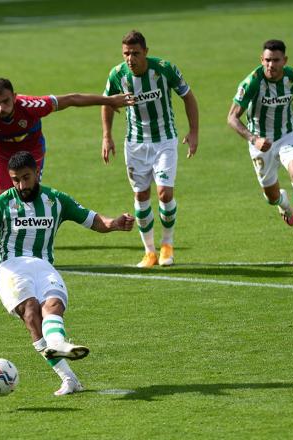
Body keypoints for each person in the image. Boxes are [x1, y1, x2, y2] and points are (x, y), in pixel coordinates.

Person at [0, 151, 135, 395]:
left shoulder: (56, 200)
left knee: (54, 304)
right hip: (11, 267)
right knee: (30, 312)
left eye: (26, 178)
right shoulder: (2, 202)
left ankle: (59, 346)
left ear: (37, 172)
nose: (21, 185)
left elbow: (92, 219)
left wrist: (114, 224)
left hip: (43, 266)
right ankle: (68, 377)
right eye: (15, 179)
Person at [0, 77, 133, 199]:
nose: (0, 108)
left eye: (5, 101)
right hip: (2, 153)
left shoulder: (31, 105)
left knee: (25, 193)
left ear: (15, 96)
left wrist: (109, 100)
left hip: (32, 151)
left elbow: (71, 99)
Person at [101, 30, 199, 269]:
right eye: (126, 53)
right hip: (135, 144)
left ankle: (167, 244)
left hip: (165, 141)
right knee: (141, 196)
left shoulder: (164, 69)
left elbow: (188, 97)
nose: (130, 59)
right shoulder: (117, 74)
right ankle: (149, 252)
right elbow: (107, 102)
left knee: (165, 193)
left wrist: (193, 131)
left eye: (135, 53)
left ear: (146, 51)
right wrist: (107, 136)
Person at [227, 39, 293, 253]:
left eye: (276, 60)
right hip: (260, 142)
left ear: (284, 60)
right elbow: (232, 118)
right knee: (271, 196)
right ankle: (283, 204)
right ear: (261, 60)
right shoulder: (252, 82)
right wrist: (253, 138)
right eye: (267, 60)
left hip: (289, 135)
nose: (271, 65)